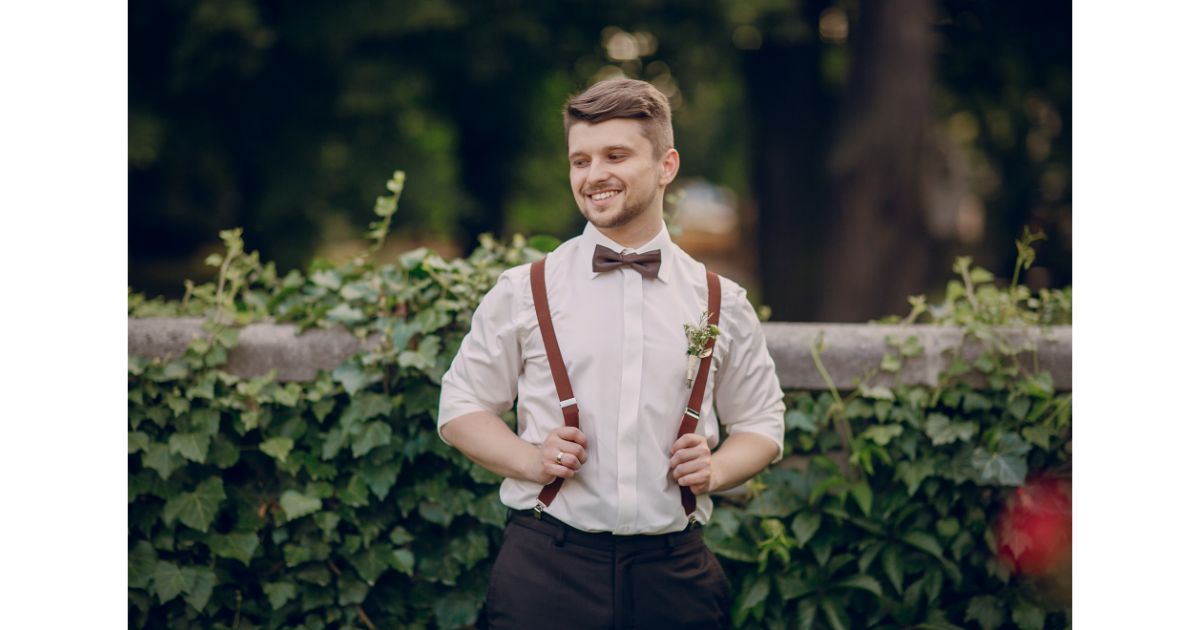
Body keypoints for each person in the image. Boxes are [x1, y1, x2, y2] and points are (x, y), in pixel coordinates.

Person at [437, 78, 785, 629]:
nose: (594, 174)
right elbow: (460, 408)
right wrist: (531, 460)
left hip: (675, 575)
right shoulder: (524, 289)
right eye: (581, 160)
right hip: (545, 569)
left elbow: (763, 422)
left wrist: (716, 469)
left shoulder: (720, 301)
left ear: (666, 165)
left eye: (615, 156)